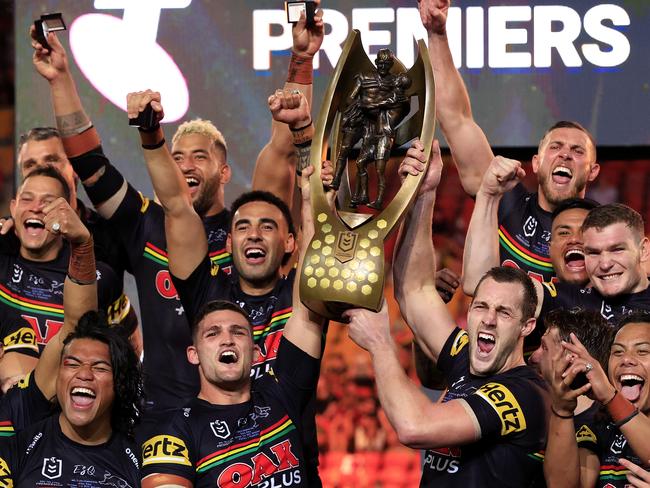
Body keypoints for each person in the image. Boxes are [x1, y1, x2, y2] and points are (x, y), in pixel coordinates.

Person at [28, 8, 323, 409]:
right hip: (163, 416)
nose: (184, 165)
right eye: (177, 156)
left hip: (244, 416)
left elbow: (284, 147)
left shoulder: (248, 229)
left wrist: (302, 59)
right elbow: (89, 163)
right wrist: (60, 78)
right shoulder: (145, 223)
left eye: (198, 157)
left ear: (223, 171)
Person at [348, 141, 548, 486]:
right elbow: (414, 291)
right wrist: (424, 193)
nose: (487, 318)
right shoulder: (465, 356)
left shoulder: (522, 394)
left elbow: (415, 427)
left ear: (526, 326)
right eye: (481, 306)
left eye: (503, 312)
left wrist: (381, 343)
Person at [139, 168, 327, 487]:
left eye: (239, 332)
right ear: (193, 354)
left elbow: (308, 307)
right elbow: (176, 207)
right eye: (213, 334)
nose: (227, 338)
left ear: (255, 353)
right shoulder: (173, 432)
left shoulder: (282, 394)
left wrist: (313, 198)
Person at [418, 0, 600, 283]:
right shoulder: (503, 200)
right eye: (555, 147)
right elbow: (456, 119)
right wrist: (438, 35)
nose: (564, 155)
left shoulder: (604, 228)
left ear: (592, 170)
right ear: (537, 163)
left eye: (577, 151)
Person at [0, 203, 144, 486]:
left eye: (100, 367)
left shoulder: (19, 408)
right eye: (74, 364)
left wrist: (81, 246)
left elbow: (75, 327)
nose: (85, 373)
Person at [0, 166, 127, 390]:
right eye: (27, 199)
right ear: (13, 207)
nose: (36, 208)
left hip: (63, 412)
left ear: (69, 212)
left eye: (48, 202)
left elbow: (129, 347)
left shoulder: (97, 278)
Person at [543, 311, 650, 487]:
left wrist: (609, 395)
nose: (626, 359)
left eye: (643, 351)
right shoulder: (600, 425)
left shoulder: (610, 398)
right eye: (617, 352)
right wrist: (562, 410)